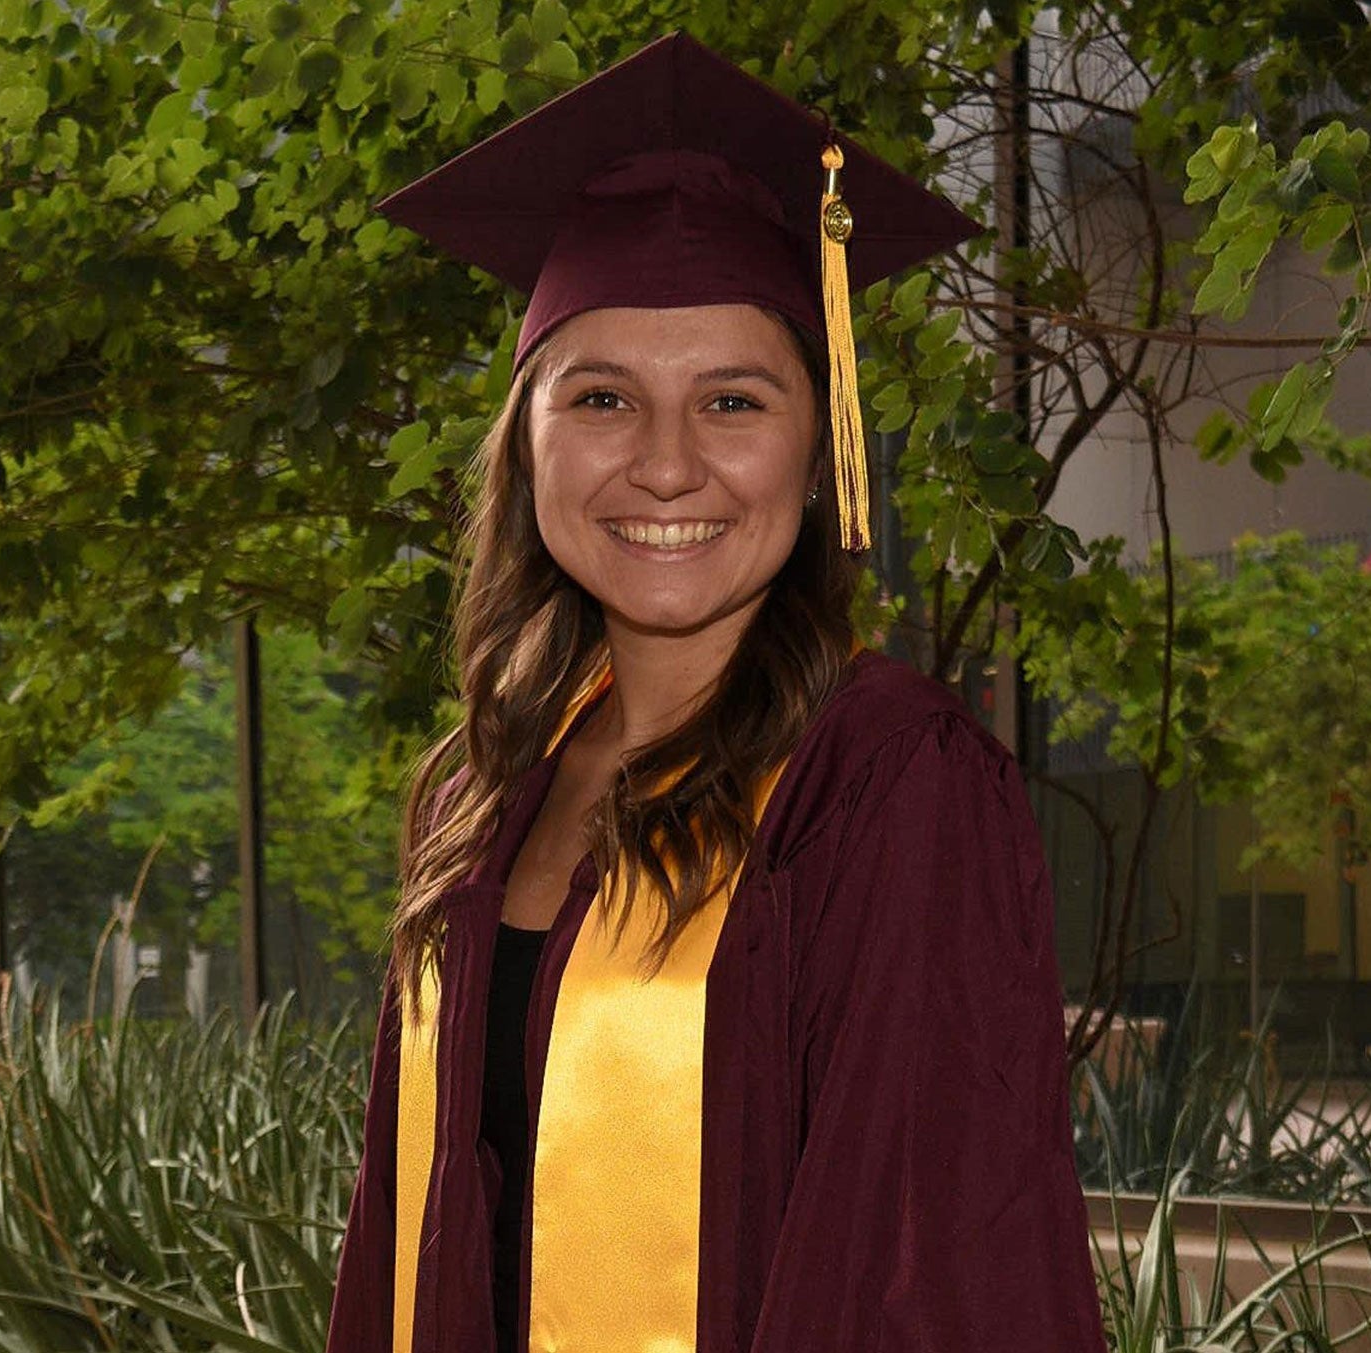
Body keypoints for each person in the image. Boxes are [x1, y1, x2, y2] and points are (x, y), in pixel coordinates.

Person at [326, 33, 1110, 1353]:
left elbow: (916, 1259)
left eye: (733, 399)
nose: (667, 464)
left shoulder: (885, 777)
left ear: (817, 452)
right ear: (526, 447)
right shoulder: (481, 790)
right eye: (601, 398)